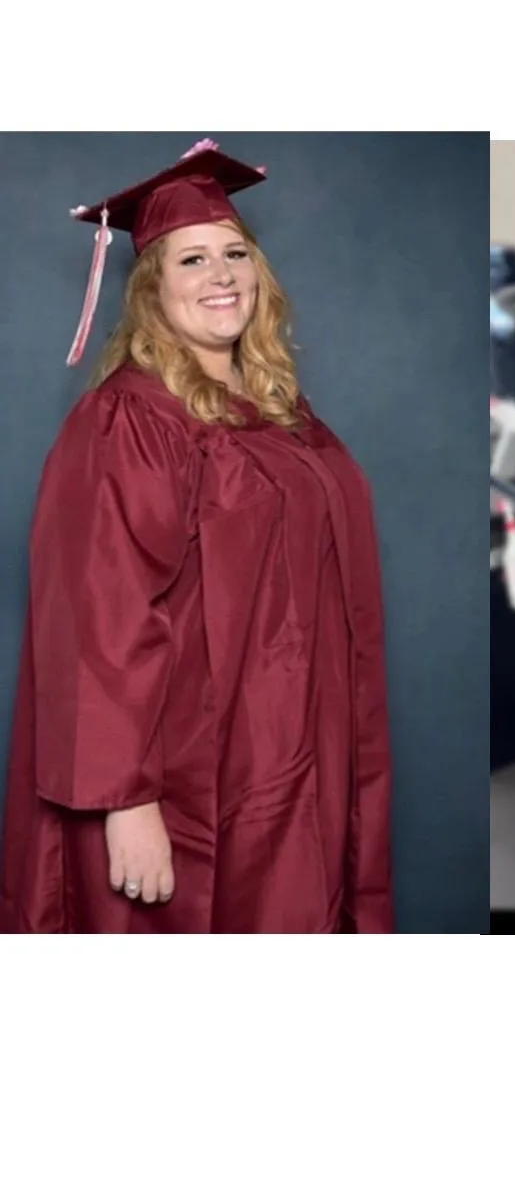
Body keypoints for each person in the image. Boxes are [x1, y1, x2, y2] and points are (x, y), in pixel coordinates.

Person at [0, 140, 393, 934]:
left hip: (293, 754)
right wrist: (127, 802)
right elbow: (97, 615)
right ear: (151, 289)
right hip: (186, 776)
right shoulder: (129, 419)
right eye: (191, 260)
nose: (220, 275)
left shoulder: (283, 412)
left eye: (234, 253)